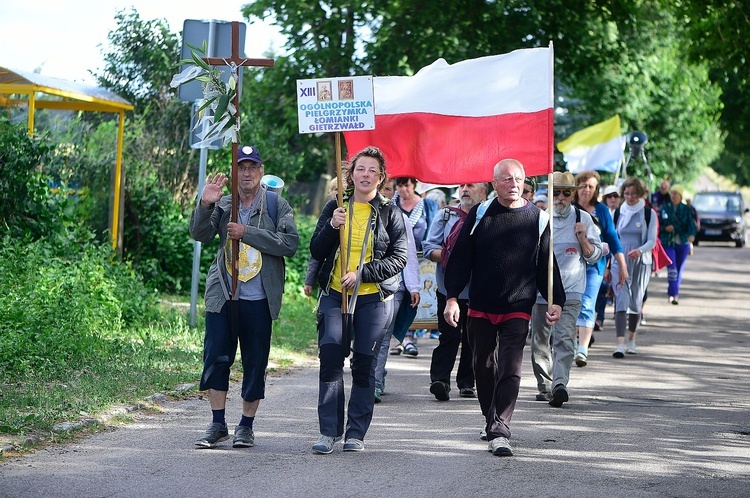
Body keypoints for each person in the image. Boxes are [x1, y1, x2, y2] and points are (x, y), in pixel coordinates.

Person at [444, 159, 564, 457]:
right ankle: (490, 419)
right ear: (494, 182)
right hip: (481, 304)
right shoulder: (480, 213)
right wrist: (451, 296)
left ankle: (500, 430)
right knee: (483, 368)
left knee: (510, 368)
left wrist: (556, 300)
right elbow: (461, 258)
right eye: (507, 179)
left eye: (518, 179)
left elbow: (547, 265)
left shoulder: (538, 218)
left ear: (525, 182)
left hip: (517, 306)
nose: (513, 184)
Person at [190, 145, 299, 449]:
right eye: (241, 167)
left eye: (253, 167)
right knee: (215, 359)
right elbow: (199, 234)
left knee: (254, 362)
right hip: (224, 296)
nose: (247, 173)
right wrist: (205, 205)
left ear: (261, 172)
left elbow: (290, 244)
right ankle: (217, 423)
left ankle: (246, 426)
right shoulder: (224, 204)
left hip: (259, 298)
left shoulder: (278, 205)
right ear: (234, 172)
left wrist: (247, 232)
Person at [309, 146, 407, 454]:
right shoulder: (334, 207)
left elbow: (399, 258)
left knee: (363, 366)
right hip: (334, 296)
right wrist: (331, 226)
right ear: (351, 175)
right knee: (330, 361)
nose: (365, 175)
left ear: (381, 177)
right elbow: (316, 250)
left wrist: (363, 273)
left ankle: (356, 434)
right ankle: (328, 432)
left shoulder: (391, 211)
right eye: (360, 169)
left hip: (372, 300)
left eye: (372, 171)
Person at [531, 171, 602, 407]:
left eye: (566, 192)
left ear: (573, 194)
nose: (561, 197)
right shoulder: (540, 218)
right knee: (540, 340)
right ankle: (544, 385)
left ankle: (559, 384)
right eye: (556, 192)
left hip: (571, 292)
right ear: (549, 193)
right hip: (542, 291)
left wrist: (583, 239)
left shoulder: (583, 218)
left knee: (563, 339)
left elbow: (595, 257)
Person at [423, 182, 488, 401]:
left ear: (483, 191)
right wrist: (452, 256)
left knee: (472, 338)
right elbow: (429, 247)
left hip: (478, 288)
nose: (465, 189)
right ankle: (440, 380)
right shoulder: (445, 215)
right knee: (448, 335)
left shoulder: (488, 215)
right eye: (462, 186)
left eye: (471, 185)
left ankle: (467, 382)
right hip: (447, 287)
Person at [571, 171, 627, 368]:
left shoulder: (601, 210)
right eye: (584, 185)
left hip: (595, 265)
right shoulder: (568, 207)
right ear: (577, 185)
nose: (587, 189)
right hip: (569, 264)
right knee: (571, 304)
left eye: (591, 186)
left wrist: (622, 265)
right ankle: (567, 343)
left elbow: (612, 237)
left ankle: (582, 349)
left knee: (587, 304)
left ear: (596, 190)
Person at [373, 179, 420, 403]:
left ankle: (373, 383)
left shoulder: (400, 218)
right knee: (367, 335)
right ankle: (375, 374)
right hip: (365, 284)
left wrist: (414, 286)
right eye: (380, 189)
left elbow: (409, 253)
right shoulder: (360, 215)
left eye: (388, 190)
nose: (383, 193)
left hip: (395, 287)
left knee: (383, 337)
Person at [390, 177, 439, 356]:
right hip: (397, 259)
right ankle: (402, 338)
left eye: (407, 185)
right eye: (400, 186)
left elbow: (433, 231)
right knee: (399, 298)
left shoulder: (427, 206)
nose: (403, 189)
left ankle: (410, 337)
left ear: (414, 186)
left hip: (422, 260)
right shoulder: (391, 204)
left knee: (419, 299)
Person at [610, 177, 658, 357]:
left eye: (634, 194)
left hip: (641, 260)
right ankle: (619, 343)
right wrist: (609, 264)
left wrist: (640, 250)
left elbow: (652, 240)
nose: (630, 197)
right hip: (620, 260)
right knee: (621, 299)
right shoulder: (617, 212)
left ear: (640, 194)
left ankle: (632, 340)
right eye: (627, 194)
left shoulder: (648, 213)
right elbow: (612, 237)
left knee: (636, 300)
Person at [659, 184, 697, 304]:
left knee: (679, 270)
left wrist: (692, 235)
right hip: (668, 242)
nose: (673, 195)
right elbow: (659, 224)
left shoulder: (686, 209)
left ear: (680, 196)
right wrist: (666, 228)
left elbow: (692, 224)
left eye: (676, 193)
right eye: (672, 193)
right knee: (672, 269)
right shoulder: (665, 208)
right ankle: (673, 294)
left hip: (683, 242)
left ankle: (674, 292)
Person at [304, 177, 340, 298]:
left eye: (343, 189)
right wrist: (309, 280)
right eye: (335, 189)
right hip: (327, 274)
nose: (339, 192)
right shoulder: (329, 210)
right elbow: (316, 252)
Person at [595, 184, 623, 331]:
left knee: (617, 288)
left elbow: (614, 240)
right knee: (602, 288)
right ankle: (599, 318)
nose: (613, 199)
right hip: (603, 258)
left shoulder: (622, 213)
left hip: (619, 256)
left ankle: (621, 312)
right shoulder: (600, 213)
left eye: (615, 196)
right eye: (609, 196)